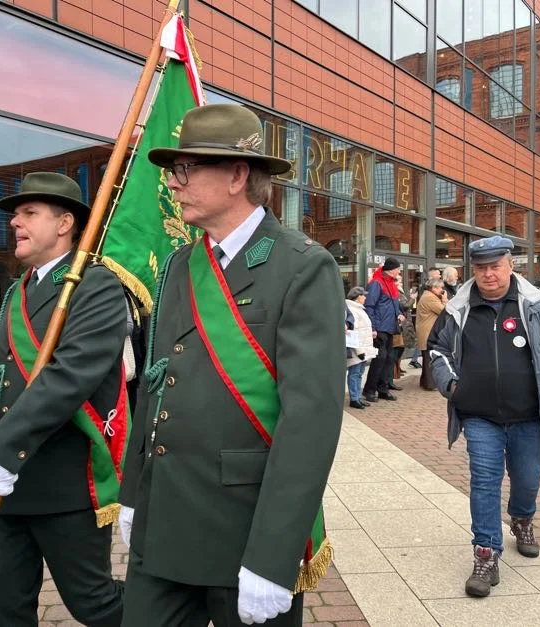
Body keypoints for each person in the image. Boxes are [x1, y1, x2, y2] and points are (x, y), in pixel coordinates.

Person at [118, 104, 345, 626]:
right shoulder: (180, 263)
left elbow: (310, 420)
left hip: (244, 526)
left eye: (186, 169)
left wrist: (272, 556)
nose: (173, 183)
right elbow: (156, 384)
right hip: (166, 515)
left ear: (238, 175)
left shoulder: (302, 265)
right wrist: (134, 493)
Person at [0, 172, 127, 627]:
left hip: (66, 482)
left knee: (93, 603)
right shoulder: (18, 291)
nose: (15, 223)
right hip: (7, 482)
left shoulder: (95, 285)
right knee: (2, 606)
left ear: (65, 224)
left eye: (29, 213)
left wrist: (1, 451)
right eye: (15, 215)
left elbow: (70, 376)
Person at [427, 235, 540, 599]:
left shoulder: (538, 306)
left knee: (527, 477)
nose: (488, 275)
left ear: (510, 264)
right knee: (484, 479)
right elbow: (437, 350)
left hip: (529, 416)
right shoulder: (458, 308)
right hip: (479, 415)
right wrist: (451, 385)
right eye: (480, 268)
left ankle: (522, 519)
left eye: (494, 266)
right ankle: (486, 553)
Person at [363, 258, 404, 403]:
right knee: (379, 360)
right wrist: (373, 327)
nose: (399, 271)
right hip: (380, 328)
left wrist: (399, 313)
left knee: (387, 360)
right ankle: (369, 390)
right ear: (391, 269)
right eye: (398, 269)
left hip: (389, 327)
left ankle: (382, 389)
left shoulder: (391, 284)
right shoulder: (376, 283)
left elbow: (395, 304)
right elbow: (370, 306)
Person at [346, 287, 378, 409]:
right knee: (355, 374)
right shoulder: (354, 310)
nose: (365, 298)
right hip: (358, 349)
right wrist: (359, 351)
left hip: (363, 349)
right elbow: (353, 332)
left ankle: (357, 397)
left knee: (359, 373)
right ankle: (354, 398)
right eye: (363, 295)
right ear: (358, 297)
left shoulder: (359, 309)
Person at [415, 278, 448, 391]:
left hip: (426, 331)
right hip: (428, 332)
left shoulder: (427, 296)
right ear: (433, 288)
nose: (441, 290)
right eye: (439, 288)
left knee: (427, 358)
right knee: (429, 358)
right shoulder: (430, 297)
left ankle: (425, 382)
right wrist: (444, 300)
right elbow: (444, 311)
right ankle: (430, 384)